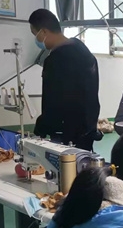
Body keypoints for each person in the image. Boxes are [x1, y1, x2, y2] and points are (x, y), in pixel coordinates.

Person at [29, 9, 101, 151]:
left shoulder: (56, 59)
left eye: (35, 34)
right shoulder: (83, 50)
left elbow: (53, 101)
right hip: (87, 128)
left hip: (66, 133)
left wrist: (41, 128)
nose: (36, 40)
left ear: (44, 32)